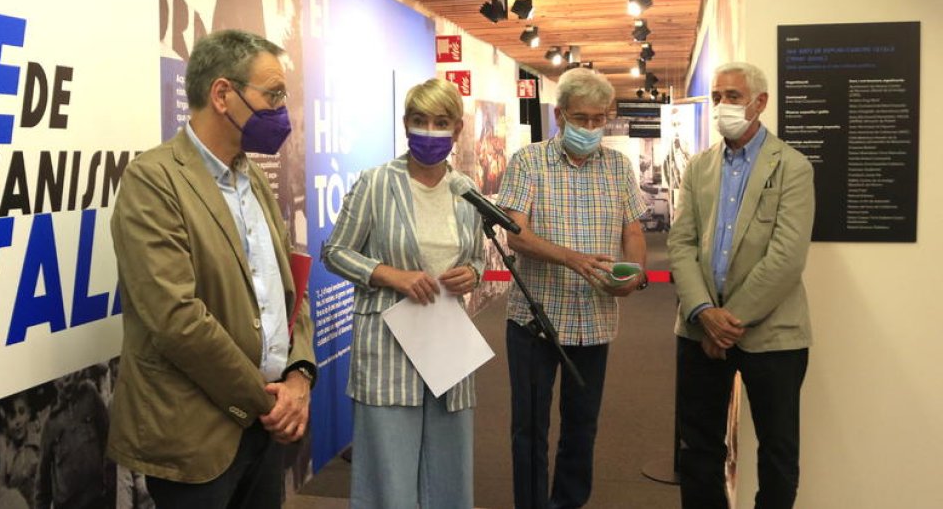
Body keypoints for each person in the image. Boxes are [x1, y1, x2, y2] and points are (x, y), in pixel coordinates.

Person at [108, 29, 316, 509]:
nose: (282, 108)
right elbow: (175, 319)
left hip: (264, 432)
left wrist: (300, 375)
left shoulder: (252, 179)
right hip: (195, 438)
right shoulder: (153, 180)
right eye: (274, 93)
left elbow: (289, 287)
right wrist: (270, 403)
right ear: (223, 94)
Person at [322, 77, 485, 509]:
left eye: (441, 121)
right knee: (388, 475)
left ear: (457, 128)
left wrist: (472, 273)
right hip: (388, 344)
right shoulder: (376, 183)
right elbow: (334, 252)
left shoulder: (466, 191)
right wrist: (389, 274)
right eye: (419, 120)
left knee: (449, 469)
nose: (429, 130)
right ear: (405, 124)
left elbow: (478, 259)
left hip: (447, 345)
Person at [498, 67, 648, 509]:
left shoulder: (618, 166)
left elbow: (634, 230)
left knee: (582, 425)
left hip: (595, 320)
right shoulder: (529, 161)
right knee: (530, 428)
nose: (590, 128)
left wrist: (636, 272)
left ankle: (568, 502)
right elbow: (515, 235)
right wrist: (573, 258)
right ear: (560, 116)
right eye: (581, 118)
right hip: (535, 320)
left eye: (599, 119)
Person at [668, 61, 814, 509]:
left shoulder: (792, 167)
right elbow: (681, 243)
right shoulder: (699, 167)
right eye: (716, 97)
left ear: (760, 102)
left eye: (732, 96)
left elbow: (787, 257)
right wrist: (703, 314)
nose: (722, 106)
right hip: (698, 329)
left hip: (772, 335)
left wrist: (728, 321)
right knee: (698, 449)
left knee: (777, 451)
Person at [36, 370, 113, 509]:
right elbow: (42, 485)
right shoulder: (50, 423)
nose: (64, 376)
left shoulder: (90, 395)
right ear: (53, 381)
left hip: (99, 501)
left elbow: (109, 439)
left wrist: (111, 491)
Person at [0, 392, 41, 509]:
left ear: (28, 413)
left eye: (21, 412)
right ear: (6, 423)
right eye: (12, 417)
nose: (17, 421)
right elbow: (3, 493)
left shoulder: (39, 444)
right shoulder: (6, 457)